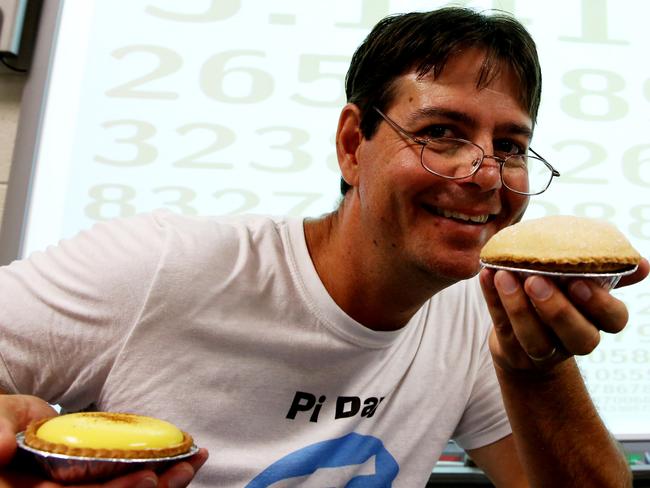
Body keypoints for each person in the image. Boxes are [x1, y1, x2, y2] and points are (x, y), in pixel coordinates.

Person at [0, 7, 648, 487]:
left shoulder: (474, 323)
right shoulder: (166, 264)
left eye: (509, 146)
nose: (482, 173)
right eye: (442, 132)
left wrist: (536, 368)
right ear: (351, 144)